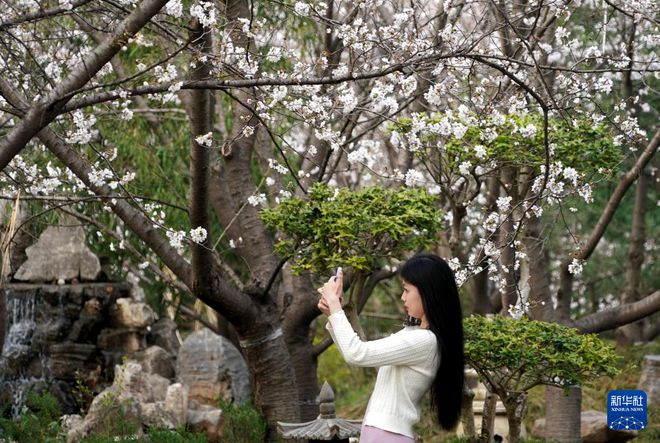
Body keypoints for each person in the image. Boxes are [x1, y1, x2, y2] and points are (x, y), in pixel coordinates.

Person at [317, 253, 464, 443]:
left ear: (428, 292)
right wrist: (332, 314)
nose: (403, 297)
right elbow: (356, 352)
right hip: (382, 433)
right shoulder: (413, 333)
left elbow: (357, 353)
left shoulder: (424, 341)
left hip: (387, 435)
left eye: (407, 290)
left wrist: (336, 307)